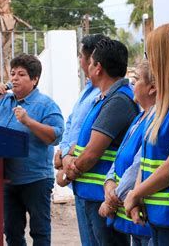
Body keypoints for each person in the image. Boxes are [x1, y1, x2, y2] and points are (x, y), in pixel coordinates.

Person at [0, 53, 64, 246]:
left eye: (21, 74)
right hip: (7, 178)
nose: (14, 78)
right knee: (12, 232)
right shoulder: (4, 102)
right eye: (13, 73)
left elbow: (56, 136)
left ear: (34, 79)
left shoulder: (46, 105)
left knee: (39, 232)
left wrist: (28, 121)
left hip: (36, 179)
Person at [63, 38, 139, 245]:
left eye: (90, 62)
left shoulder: (118, 101)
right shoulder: (104, 98)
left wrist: (69, 170)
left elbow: (92, 153)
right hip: (90, 194)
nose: (86, 65)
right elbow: (82, 143)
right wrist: (68, 156)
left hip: (101, 196)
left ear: (98, 67)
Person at [124, 23, 169, 246]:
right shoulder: (159, 108)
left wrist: (136, 193)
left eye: (150, 54)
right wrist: (139, 194)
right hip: (155, 215)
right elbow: (145, 160)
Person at [54, 34, 105, 246]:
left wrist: (67, 164)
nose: (79, 61)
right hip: (81, 182)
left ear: (91, 60)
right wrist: (64, 153)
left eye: (81, 56)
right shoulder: (87, 90)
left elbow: (93, 138)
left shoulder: (105, 95)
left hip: (96, 185)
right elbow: (72, 124)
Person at [98, 59, 155, 246]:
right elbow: (119, 156)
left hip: (143, 215)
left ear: (152, 88)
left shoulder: (154, 119)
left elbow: (139, 164)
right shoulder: (140, 117)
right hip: (128, 215)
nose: (131, 84)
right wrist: (109, 183)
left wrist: (112, 199)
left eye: (136, 79)